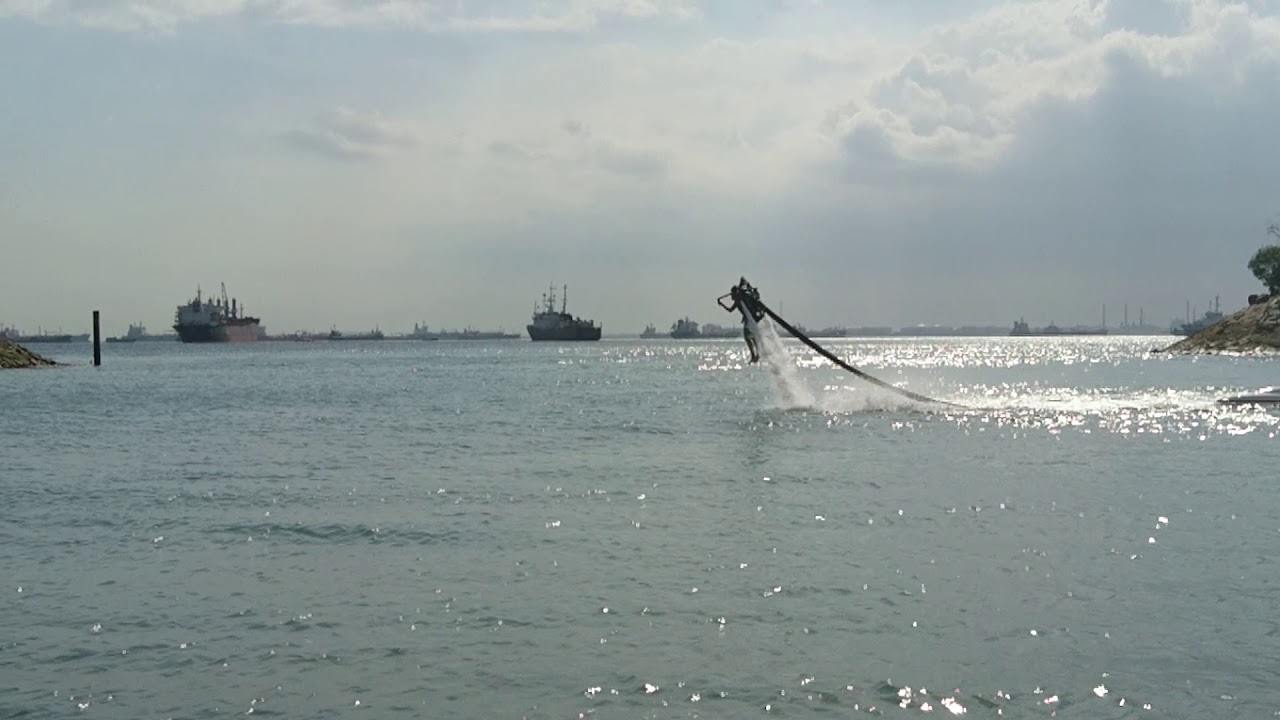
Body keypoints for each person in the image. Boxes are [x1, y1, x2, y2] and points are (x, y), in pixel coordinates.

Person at [727, 282, 761, 363]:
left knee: (748, 337)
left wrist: (721, 304)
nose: (731, 296)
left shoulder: (738, 300)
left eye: (732, 294)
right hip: (751, 320)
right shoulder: (741, 298)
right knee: (752, 337)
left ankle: (754, 355)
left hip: (749, 321)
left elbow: (730, 310)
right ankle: (756, 354)